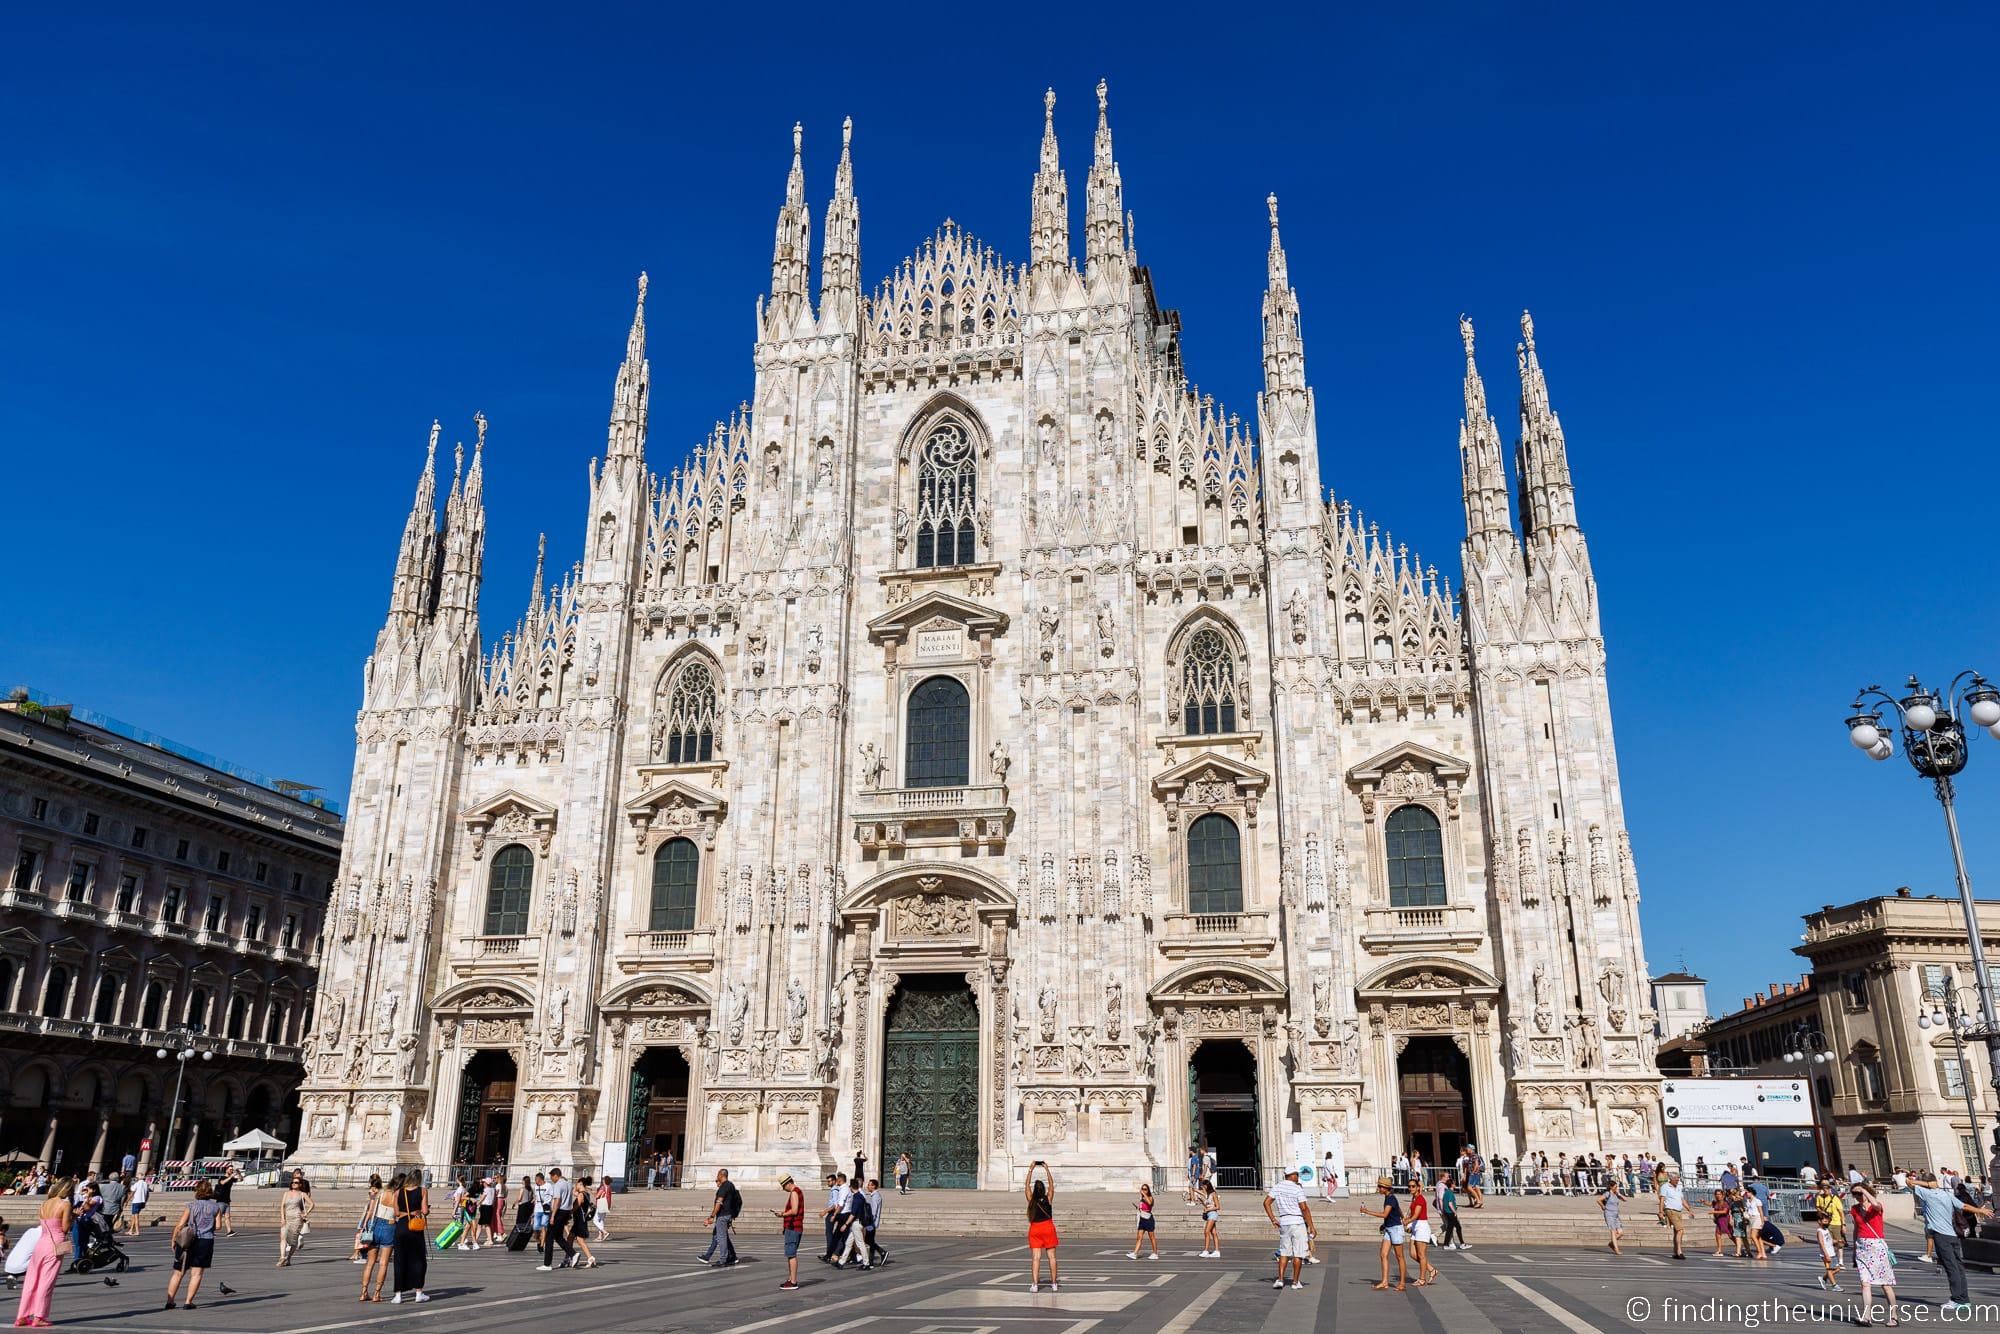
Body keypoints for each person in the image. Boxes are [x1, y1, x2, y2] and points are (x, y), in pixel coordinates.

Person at [1913, 1169, 1990, 1314]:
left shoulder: (1927, 1194)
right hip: (1952, 1235)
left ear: (1926, 1184)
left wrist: (1927, 1184)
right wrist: (1981, 1211)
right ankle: (1964, 1299)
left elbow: (1908, 1182)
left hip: (1940, 1236)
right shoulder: (1946, 1194)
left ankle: (1956, 1299)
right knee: (1959, 1268)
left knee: (1951, 1268)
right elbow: (1965, 1206)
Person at [14, 1179, 70, 1327]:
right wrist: (74, 1217)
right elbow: (64, 1228)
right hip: (55, 1244)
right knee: (46, 1282)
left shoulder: (44, 1204)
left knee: (31, 1280)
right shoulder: (65, 1204)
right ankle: (39, 1317)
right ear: (66, 1190)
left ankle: (22, 1316)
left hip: (41, 1243)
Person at [164, 1177, 224, 1311]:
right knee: (196, 1273)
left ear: (197, 1191)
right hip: (205, 1241)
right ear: (210, 1191)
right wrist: (208, 1226)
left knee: (178, 1272)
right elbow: (219, 1226)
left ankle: (170, 1301)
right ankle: (188, 1301)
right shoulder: (216, 1207)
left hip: (187, 1240)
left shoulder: (191, 1206)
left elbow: (180, 1225)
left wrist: (174, 1239)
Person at [1849, 1182, 1898, 1325]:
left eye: (1859, 1193)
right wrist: (1853, 1250)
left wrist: (1864, 1190)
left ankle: (1894, 1316)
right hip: (1862, 1248)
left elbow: (1876, 1204)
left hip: (1877, 1248)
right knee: (1865, 1283)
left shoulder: (1876, 1206)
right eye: (1855, 1194)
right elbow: (1856, 1229)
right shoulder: (1854, 1209)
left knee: (1885, 1285)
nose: (1857, 1196)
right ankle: (1866, 1316)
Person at [1360, 1175, 1406, 1291]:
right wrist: (1402, 1217)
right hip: (1389, 1228)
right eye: (1379, 1186)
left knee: (1399, 1256)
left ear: (1386, 1188)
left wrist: (1367, 1211)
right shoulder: (1389, 1197)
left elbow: (1385, 1214)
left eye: (1380, 1186)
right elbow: (1398, 1209)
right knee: (1383, 1254)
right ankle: (1385, 1281)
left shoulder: (1390, 1198)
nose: (1379, 1188)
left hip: (1395, 1229)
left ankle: (1402, 1283)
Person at [390, 1169, 429, 1303]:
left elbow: (396, 1213)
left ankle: (398, 1295)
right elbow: (425, 1211)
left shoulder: (397, 1192)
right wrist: (418, 1210)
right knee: (418, 1259)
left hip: (401, 1227)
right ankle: (419, 1292)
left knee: (400, 1260)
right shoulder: (423, 1191)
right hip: (415, 1227)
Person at [1025, 1161, 1059, 1292]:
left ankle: (1034, 1284)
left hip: (1035, 1229)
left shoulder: (1031, 1200)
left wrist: (1030, 1169)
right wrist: (1047, 1169)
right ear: (1043, 1190)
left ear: (1034, 1190)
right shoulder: (1048, 1198)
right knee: (1052, 1257)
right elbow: (1052, 1185)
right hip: (1048, 1228)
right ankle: (1054, 1283)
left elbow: (1026, 1185)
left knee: (1036, 1258)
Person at [698, 1169, 741, 1268]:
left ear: (721, 1175)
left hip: (723, 1215)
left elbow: (719, 1202)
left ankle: (723, 1259)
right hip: (728, 1214)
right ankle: (732, 1257)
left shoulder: (723, 1187)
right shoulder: (731, 1185)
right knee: (722, 1236)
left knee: (721, 1238)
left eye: (717, 1175)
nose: (717, 1177)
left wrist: (712, 1216)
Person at [772, 1172, 805, 1291]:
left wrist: (782, 1214)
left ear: (788, 1183)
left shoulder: (794, 1192)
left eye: (783, 1186)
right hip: (794, 1227)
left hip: (793, 1228)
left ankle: (793, 1281)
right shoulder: (798, 1191)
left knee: (791, 1255)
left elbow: (795, 1210)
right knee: (791, 1254)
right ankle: (790, 1279)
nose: (783, 1188)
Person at [1405, 1177, 1438, 1285]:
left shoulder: (1420, 1199)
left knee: (1421, 1254)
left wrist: (1407, 1221)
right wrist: (1408, 1222)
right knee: (1412, 1254)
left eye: (1413, 1186)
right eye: (1409, 1186)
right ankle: (1431, 1269)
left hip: (1422, 1227)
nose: (1411, 1188)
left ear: (1418, 1187)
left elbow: (1416, 1215)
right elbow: (1411, 1214)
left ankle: (1422, 1279)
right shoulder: (1414, 1198)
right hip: (1415, 1226)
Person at [278, 1171, 313, 1266]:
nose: (294, 1184)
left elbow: (312, 1204)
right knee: (283, 1237)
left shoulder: (302, 1194)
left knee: (293, 1240)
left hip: (297, 1218)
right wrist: (282, 1218)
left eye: (296, 1182)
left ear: (300, 1184)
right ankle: (282, 1257)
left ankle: (288, 1258)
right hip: (287, 1217)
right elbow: (282, 1206)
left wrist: (305, 1213)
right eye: (293, 1182)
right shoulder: (286, 1193)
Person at [1655, 1167, 1687, 1260]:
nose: (1678, 1180)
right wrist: (1660, 1212)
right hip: (1670, 1210)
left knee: (1677, 1231)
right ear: (1672, 1179)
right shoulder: (1665, 1186)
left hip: (1678, 1211)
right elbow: (1662, 1200)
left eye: (1678, 1178)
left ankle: (1675, 1251)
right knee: (1680, 1230)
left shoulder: (1678, 1187)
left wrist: (1689, 1209)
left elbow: (1682, 1199)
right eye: (1676, 1178)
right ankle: (1679, 1252)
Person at [567, 1178, 599, 1268]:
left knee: (580, 1240)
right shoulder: (586, 1194)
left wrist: (569, 1213)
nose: (575, 1186)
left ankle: (590, 1258)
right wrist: (576, 1188)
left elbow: (576, 1207)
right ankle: (569, 1256)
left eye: (576, 1184)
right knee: (570, 1238)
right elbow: (574, 1193)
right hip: (580, 1220)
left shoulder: (581, 1195)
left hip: (580, 1221)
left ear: (580, 1184)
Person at [819, 1173, 847, 1263]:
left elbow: (835, 1205)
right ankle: (832, 1253)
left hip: (832, 1213)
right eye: (827, 1181)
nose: (828, 1183)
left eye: (830, 1181)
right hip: (834, 1213)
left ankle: (830, 1253)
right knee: (833, 1234)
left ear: (835, 1181)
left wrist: (825, 1211)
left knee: (829, 1234)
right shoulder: (836, 1189)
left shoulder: (835, 1190)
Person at [1128, 1183, 1159, 1260]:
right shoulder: (1141, 1199)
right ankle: (1135, 1253)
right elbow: (1143, 1208)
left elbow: (1149, 1203)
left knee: (1152, 1237)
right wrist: (1138, 1208)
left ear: (1148, 1190)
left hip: (1148, 1219)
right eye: (1142, 1189)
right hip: (1142, 1219)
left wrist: (1144, 1194)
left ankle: (1155, 1253)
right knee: (1139, 1237)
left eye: (1145, 1189)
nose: (1143, 1190)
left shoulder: (1150, 1197)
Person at [1437, 1173, 1468, 1250]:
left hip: (1447, 1212)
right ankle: (1462, 1244)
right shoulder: (1450, 1193)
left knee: (1450, 1228)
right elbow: (1450, 1204)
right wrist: (1454, 1211)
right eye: (1454, 1183)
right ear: (1452, 1185)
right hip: (1451, 1213)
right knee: (1458, 1227)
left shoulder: (1446, 1192)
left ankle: (1447, 1244)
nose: (1455, 1185)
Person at [1599, 1178, 1625, 1255]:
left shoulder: (1615, 1194)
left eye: (1616, 1187)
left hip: (1616, 1215)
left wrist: (1619, 1193)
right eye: (1615, 1187)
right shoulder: (1607, 1194)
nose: (1616, 1188)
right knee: (1613, 1232)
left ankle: (1611, 1243)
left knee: (1620, 1233)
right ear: (1611, 1187)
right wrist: (1602, 1206)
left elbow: (1625, 1199)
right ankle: (1616, 1249)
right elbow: (1599, 1200)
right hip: (1609, 1214)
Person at [1198, 1177, 1222, 1258]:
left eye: (1203, 1187)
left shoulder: (1213, 1194)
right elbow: (1206, 1204)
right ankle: (1217, 1251)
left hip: (1212, 1214)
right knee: (1213, 1233)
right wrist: (1202, 1203)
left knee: (1206, 1231)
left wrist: (1208, 1209)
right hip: (1209, 1214)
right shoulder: (1207, 1195)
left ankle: (1206, 1250)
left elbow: (1218, 1206)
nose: (1202, 1188)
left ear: (1207, 1186)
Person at [474, 1175, 498, 1249]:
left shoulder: (486, 1190)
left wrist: (476, 1205)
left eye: (484, 1182)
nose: (483, 1183)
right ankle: (475, 1239)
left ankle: (489, 1240)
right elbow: (494, 1200)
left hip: (485, 1207)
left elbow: (482, 1199)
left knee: (485, 1224)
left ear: (486, 1183)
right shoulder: (493, 1189)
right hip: (490, 1207)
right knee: (481, 1224)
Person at [126, 1173, 150, 1237]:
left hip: (136, 1201)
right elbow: (147, 1194)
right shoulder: (146, 1184)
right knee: (133, 1216)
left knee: (135, 1216)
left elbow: (132, 1192)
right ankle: (131, 1230)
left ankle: (137, 1231)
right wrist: (145, 1201)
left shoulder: (136, 1184)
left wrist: (127, 1201)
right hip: (142, 1201)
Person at [591, 1176, 612, 1242]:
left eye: (603, 1179)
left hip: (601, 1205)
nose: (602, 1181)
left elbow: (597, 1196)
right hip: (606, 1205)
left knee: (595, 1220)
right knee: (601, 1220)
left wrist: (593, 1192)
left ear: (604, 1181)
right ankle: (600, 1236)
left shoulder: (603, 1187)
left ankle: (605, 1232)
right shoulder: (609, 1187)